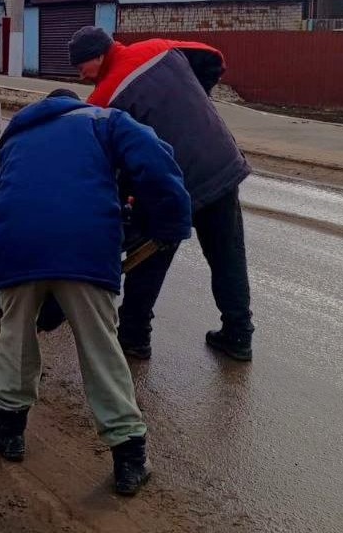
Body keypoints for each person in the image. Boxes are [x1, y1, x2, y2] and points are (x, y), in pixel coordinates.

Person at [0, 88, 192, 496]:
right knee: (100, 345)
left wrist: (43, 291)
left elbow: (15, 194)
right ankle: (129, 457)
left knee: (15, 337)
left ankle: (9, 432)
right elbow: (154, 157)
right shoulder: (103, 120)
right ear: (77, 104)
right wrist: (172, 219)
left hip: (14, 244)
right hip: (85, 244)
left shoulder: (13, 136)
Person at [68, 26, 255, 362]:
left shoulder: (103, 100)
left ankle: (135, 336)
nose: (80, 74)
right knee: (228, 255)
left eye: (81, 65)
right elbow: (214, 59)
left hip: (170, 182)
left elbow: (107, 164)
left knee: (149, 257)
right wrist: (194, 101)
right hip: (220, 163)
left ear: (99, 55)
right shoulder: (160, 48)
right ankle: (238, 335)